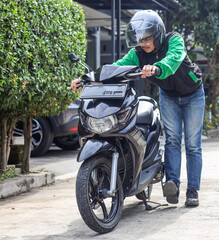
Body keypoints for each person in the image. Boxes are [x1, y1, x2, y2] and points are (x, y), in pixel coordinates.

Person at [71, 10, 205, 207]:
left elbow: (174, 59)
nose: (143, 43)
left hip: (193, 93)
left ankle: (192, 190)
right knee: (173, 140)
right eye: (140, 40)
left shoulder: (173, 40)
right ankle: (173, 185)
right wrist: (87, 80)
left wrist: (157, 67)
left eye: (147, 39)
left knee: (193, 144)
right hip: (168, 96)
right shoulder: (137, 54)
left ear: (158, 34)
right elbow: (115, 68)